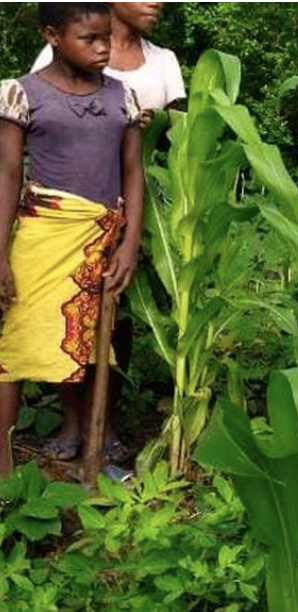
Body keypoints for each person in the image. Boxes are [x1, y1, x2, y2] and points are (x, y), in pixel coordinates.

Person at [31, 1, 181, 464]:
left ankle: (106, 420)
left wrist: (157, 125)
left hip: (143, 210)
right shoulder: (60, 49)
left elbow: (184, 138)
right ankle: (73, 416)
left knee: (118, 319)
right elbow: (43, 115)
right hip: (71, 207)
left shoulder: (163, 63)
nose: (155, 3)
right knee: (62, 314)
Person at [0, 2, 144, 476]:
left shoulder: (122, 96)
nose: (104, 47)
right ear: (53, 36)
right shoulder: (22, 94)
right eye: (90, 39)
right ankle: (2, 460)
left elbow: (133, 174)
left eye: (107, 37)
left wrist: (128, 245)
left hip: (100, 241)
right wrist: (0, 253)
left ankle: (92, 453)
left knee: (91, 345)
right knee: (19, 344)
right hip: (43, 237)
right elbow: (7, 175)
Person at [32, 2, 184, 117]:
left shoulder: (164, 60)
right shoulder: (63, 52)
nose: (155, 3)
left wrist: (154, 123)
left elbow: (175, 137)